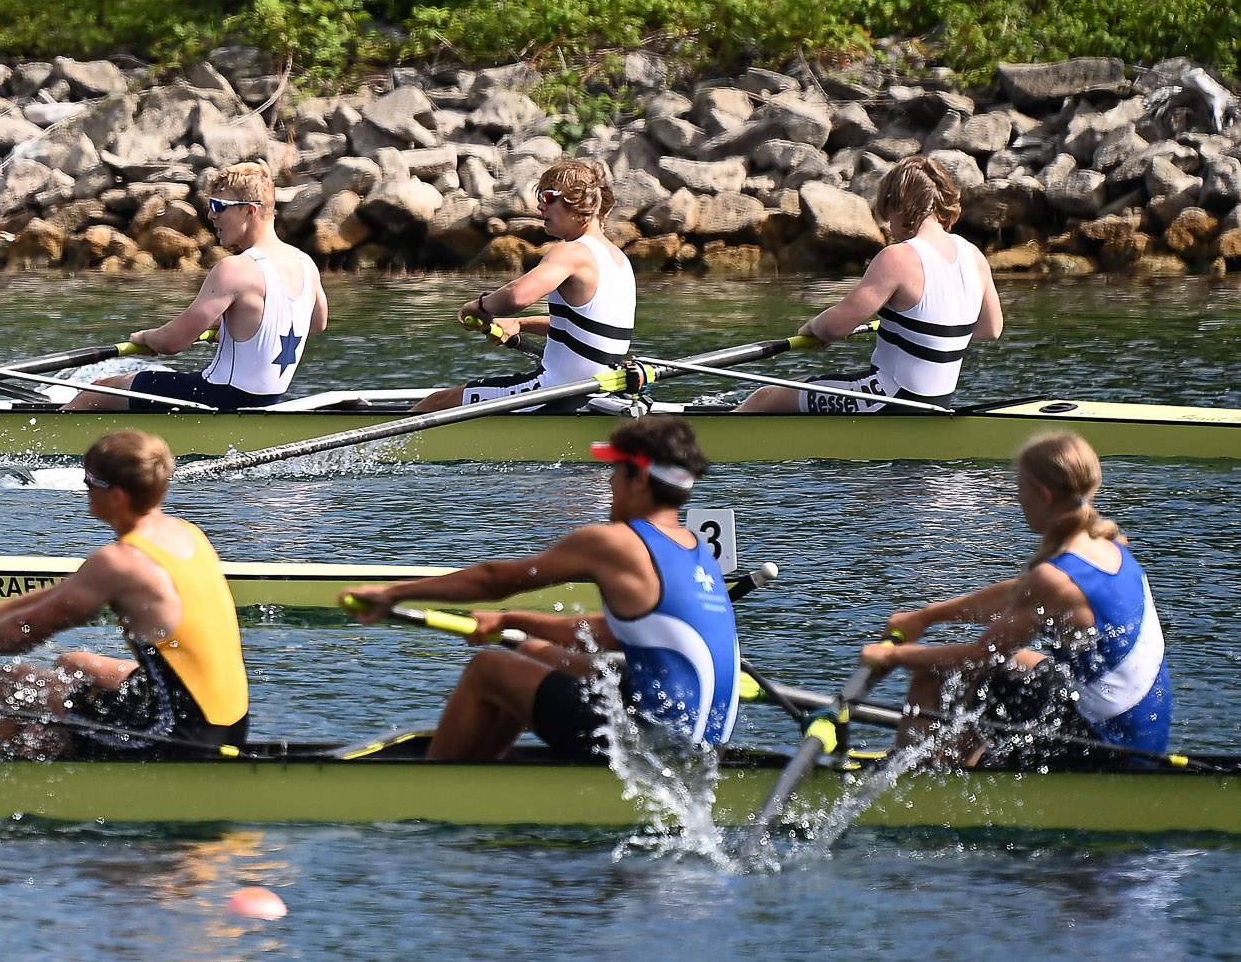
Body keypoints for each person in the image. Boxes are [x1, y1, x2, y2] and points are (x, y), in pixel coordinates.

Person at [344, 416, 737, 761]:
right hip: (700, 743)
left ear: (638, 478)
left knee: (489, 667)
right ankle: (480, 776)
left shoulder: (614, 542)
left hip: (651, 742)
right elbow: (608, 633)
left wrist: (394, 593)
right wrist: (512, 621)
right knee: (532, 652)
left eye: (615, 471)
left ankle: (433, 791)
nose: (610, 482)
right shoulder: (696, 550)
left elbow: (495, 580)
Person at [858, 432, 1172, 763]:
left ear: (1044, 495)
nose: (1018, 498)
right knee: (1012, 664)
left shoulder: (1054, 578)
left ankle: (917, 780)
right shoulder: (1107, 545)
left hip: (1112, 746)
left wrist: (892, 656)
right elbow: (1014, 594)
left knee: (939, 675)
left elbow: (979, 656)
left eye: (1020, 488)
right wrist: (925, 617)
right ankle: (959, 761)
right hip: (1137, 729)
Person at [0, 429, 249, 758]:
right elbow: (77, 588)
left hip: (175, 734)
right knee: (73, 663)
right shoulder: (186, 534)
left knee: (13, 682)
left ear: (117, 496)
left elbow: (22, 634)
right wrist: (9, 606)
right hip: (225, 721)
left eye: (88, 483)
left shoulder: (118, 562)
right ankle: (50, 746)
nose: (84, 492)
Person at [738, 154, 1002, 414]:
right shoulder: (974, 256)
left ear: (895, 203)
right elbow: (991, 328)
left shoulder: (899, 257)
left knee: (766, 398)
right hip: (938, 403)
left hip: (886, 398)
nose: (888, 223)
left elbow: (834, 327)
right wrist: (922, 333)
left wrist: (813, 328)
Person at [66, 161, 326, 411]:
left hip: (219, 396)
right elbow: (315, 323)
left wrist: (146, 338)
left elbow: (172, 342)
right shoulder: (305, 264)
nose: (211, 215)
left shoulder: (234, 269)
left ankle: (37, 442)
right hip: (267, 401)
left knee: (98, 391)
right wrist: (235, 328)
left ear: (250, 210)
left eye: (218, 205)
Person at [415, 159, 634, 414]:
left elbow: (517, 296)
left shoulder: (572, 252)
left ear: (580, 201)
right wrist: (521, 324)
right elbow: (586, 331)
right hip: (602, 394)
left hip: (557, 392)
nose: (540, 206)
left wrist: (481, 306)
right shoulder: (619, 260)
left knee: (436, 404)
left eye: (548, 197)